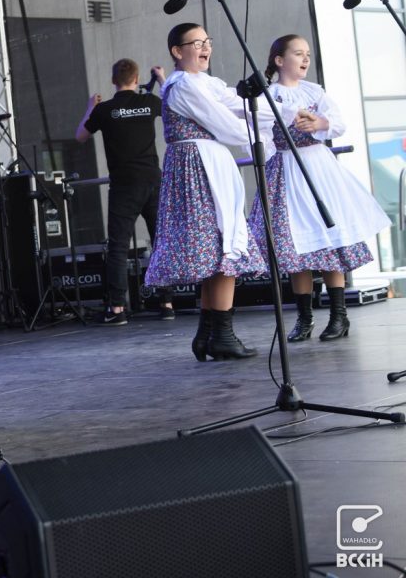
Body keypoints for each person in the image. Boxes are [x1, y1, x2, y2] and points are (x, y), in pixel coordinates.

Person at [250, 34, 390, 342]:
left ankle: (339, 316)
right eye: (298, 54)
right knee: (296, 247)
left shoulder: (314, 91)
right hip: (286, 168)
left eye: (307, 55)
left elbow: (339, 124)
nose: (305, 59)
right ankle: (304, 317)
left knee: (330, 239)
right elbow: (257, 132)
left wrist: (319, 124)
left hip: (318, 167)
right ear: (279, 60)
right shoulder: (267, 96)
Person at [144, 23, 268, 361]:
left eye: (207, 41)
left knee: (217, 250)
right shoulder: (183, 85)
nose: (205, 47)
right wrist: (259, 133)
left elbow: (235, 104)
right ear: (177, 51)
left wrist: (280, 110)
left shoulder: (203, 83)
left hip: (206, 162)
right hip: (198, 166)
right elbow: (225, 122)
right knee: (221, 246)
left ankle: (208, 334)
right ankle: (221, 335)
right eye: (196, 43)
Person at [76, 59, 175, 324]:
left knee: (118, 247)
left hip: (124, 185)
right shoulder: (150, 102)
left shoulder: (104, 110)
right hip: (153, 180)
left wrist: (90, 108)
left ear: (113, 81)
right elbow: (173, 103)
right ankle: (166, 303)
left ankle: (117, 309)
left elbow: (80, 136)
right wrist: (162, 78)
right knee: (160, 242)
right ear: (137, 77)